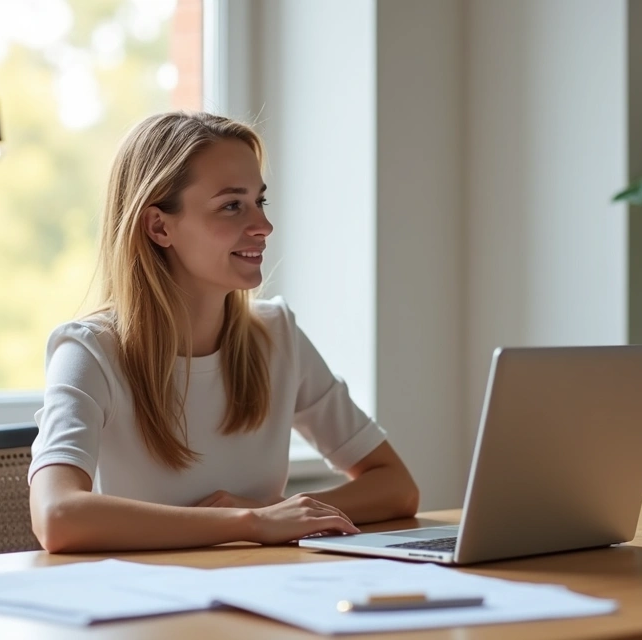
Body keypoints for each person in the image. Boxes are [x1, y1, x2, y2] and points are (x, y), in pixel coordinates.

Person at [27, 111, 420, 553]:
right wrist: (249, 522)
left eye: (260, 202)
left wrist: (277, 512)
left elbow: (396, 487)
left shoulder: (277, 336)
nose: (263, 227)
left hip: (258, 595)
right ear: (159, 226)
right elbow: (57, 517)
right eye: (232, 205)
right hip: (143, 609)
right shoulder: (89, 351)